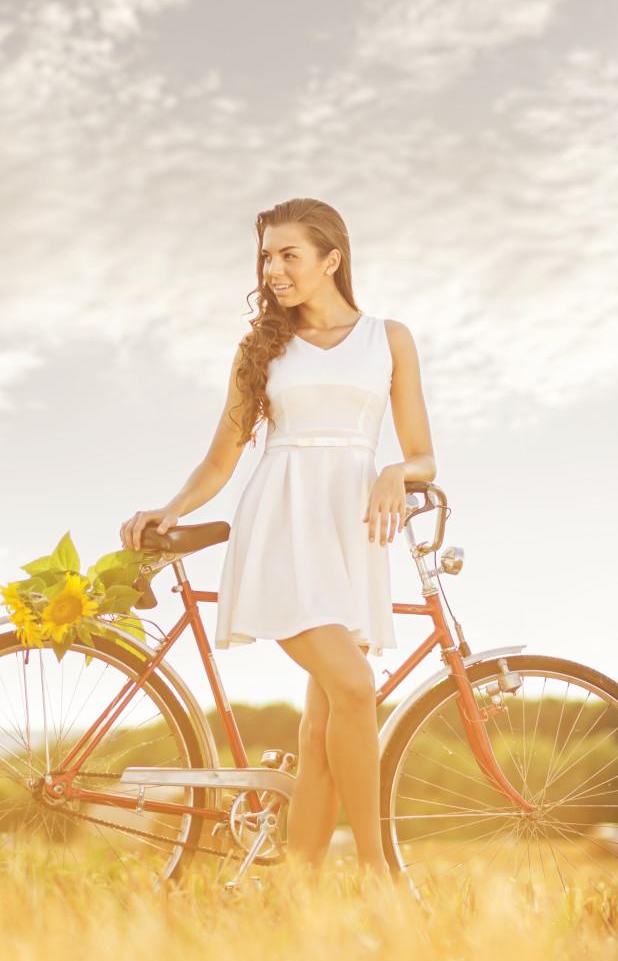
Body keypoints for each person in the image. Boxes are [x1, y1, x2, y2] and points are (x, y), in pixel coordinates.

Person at [118, 197, 437, 870]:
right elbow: (221, 459)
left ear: (332, 260)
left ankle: (302, 894)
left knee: (324, 727)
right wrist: (171, 508)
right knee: (355, 689)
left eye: (288, 255)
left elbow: (423, 456)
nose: (273, 270)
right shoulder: (262, 347)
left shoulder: (390, 338)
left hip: (351, 537)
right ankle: (381, 879)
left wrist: (395, 472)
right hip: (280, 529)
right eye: (266, 257)